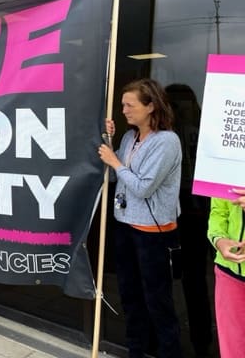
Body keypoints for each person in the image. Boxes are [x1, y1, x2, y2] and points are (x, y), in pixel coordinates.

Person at [98, 78, 183, 358]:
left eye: (129, 104)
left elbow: (143, 186)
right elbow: (118, 176)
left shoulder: (167, 141)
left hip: (153, 232)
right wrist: (109, 142)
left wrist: (115, 162)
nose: (123, 110)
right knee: (130, 295)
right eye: (123, 104)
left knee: (157, 301)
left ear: (150, 106)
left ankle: (168, 353)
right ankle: (137, 350)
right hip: (125, 226)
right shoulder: (129, 137)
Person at [166, 84, 212, 357]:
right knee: (169, 280)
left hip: (200, 213)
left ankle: (202, 341)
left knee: (195, 282)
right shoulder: (165, 136)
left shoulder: (206, 133)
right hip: (172, 214)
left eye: (184, 104)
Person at [207, 190, 245, 358]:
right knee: (232, 350)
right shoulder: (231, 164)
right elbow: (218, 211)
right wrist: (218, 239)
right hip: (229, 272)